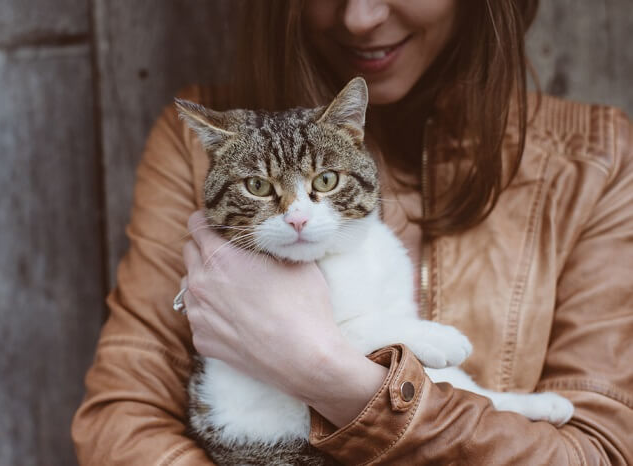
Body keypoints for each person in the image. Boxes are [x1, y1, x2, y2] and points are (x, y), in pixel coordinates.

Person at [72, 0, 633, 464]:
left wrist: (329, 375)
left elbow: (599, 450)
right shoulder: (200, 146)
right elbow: (121, 424)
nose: (361, 17)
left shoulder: (599, 161)